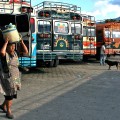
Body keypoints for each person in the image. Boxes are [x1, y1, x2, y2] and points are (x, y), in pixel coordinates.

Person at [0, 36, 28, 119]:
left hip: (15, 77)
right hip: (7, 77)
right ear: (7, 48)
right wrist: (5, 42)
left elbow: (26, 51)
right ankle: (8, 112)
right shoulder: (4, 55)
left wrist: (22, 42)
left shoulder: (15, 53)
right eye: (11, 47)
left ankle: (2, 106)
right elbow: (2, 52)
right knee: (9, 95)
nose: (13, 48)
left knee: (13, 94)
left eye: (14, 46)